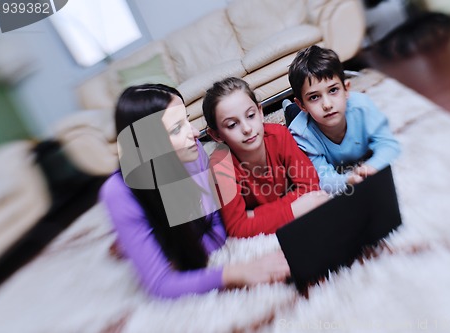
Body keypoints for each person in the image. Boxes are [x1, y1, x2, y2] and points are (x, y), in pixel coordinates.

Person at [100, 84, 290, 299]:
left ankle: (129, 239)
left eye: (187, 120)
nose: (195, 133)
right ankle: (125, 240)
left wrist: (190, 245)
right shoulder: (117, 192)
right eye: (176, 128)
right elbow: (161, 285)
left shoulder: (193, 151)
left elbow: (216, 227)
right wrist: (235, 272)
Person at [203, 77, 329, 238]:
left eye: (250, 115)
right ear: (216, 135)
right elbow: (237, 228)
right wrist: (294, 209)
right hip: (288, 199)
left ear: (260, 112)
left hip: (282, 134)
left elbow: (311, 187)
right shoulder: (220, 165)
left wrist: (253, 214)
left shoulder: (279, 134)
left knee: (295, 122)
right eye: (232, 125)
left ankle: (289, 108)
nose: (247, 129)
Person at [284, 45, 401, 195]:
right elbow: (322, 179)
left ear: (346, 89)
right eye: (314, 97)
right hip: (302, 116)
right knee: (291, 112)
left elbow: (389, 144)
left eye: (333, 90)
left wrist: (371, 167)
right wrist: (347, 180)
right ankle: (289, 106)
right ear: (302, 104)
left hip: (315, 112)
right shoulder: (301, 133)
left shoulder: (363, 107)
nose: (327, 105)